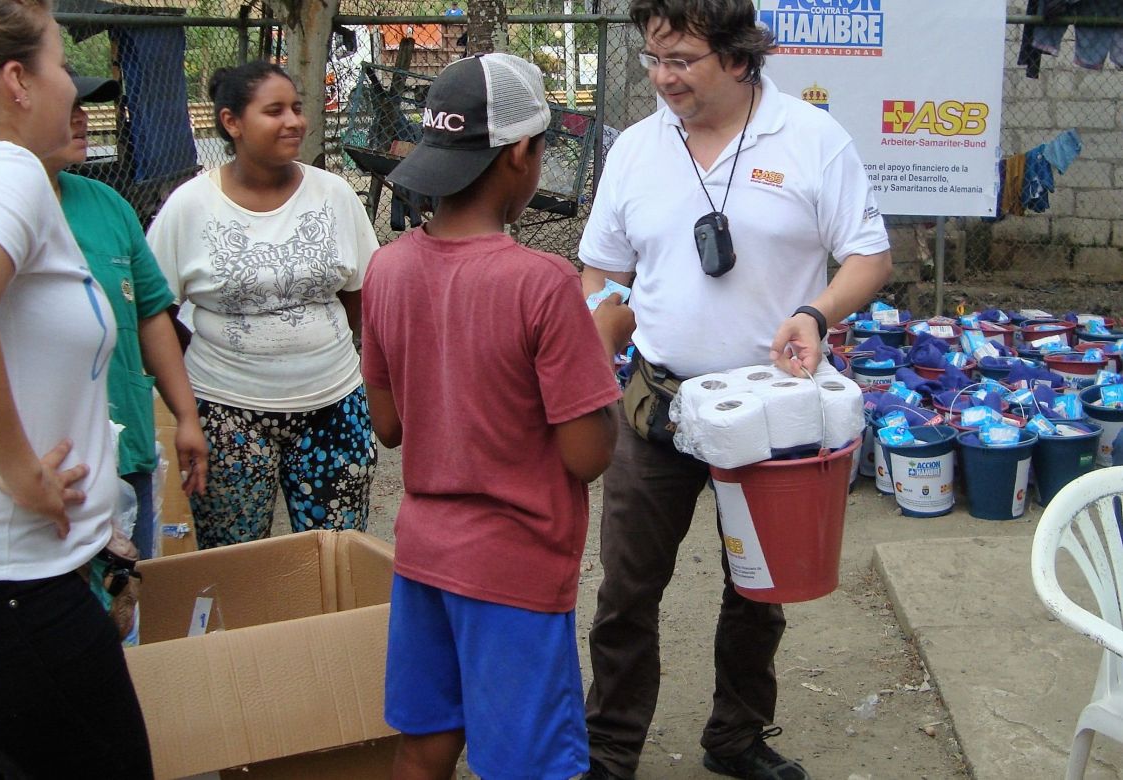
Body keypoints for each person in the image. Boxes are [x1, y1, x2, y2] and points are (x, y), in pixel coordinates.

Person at [577, 0, 893, 777]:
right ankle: (609, 749)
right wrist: (599, 318)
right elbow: (603, 267)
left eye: (681, 59)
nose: (661, 77)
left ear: (740, 59)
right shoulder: (638, 149)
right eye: (653, 57)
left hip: (772, 419)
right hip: (659, 406)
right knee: (625, 592)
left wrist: (815, 312)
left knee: (759, 588)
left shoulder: (812, 138)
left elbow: (868, 256)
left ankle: (737, 737)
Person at [361, 53, 635, 779]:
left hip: (423, 556)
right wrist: (599, 345)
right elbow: (586, 456)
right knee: (531, 764)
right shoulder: (541, 285)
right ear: (522, 154)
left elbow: (389, 426)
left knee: (424, 745)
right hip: (511, 570)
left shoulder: (386, 269)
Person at [0, 0, 153, 776]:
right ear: (16, 83)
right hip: (10, 589)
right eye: (60, 64)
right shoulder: (0, 166)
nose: (73, 86)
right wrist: (17, 468)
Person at [147, 60, 380, 550]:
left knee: (336, 553)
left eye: (297, 108)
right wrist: (210, 367)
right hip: (226, 412)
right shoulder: (189, 207)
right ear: (232, 122)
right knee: (236, 557)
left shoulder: (333, 195)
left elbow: (361, 291)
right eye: (274, 111)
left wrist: (318, 351)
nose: (294, 121)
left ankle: (326, 633)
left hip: (334, 405)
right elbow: (157, 312)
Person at [42, 70, 208, 560]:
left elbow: (151, 313)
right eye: (67, 104)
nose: (81, 117)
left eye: (84, 104)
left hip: (123, 446)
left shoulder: (106, 204)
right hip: (43, 467)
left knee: (126, 606)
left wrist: (185, 415)